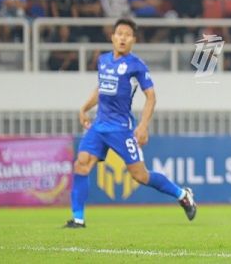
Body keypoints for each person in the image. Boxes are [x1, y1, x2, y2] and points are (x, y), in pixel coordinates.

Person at [65, 18, 197, 228]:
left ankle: (182, 194)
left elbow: (151, 96)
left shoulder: (136, 65)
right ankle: (78, 219)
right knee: (81, 163)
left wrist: (143, 125)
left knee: (140, 176)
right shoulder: (103, 60)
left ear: (133, 40)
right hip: (99, 126)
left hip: (122, 129)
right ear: (112, 37)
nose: (123, 38)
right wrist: (83, 108)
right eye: (119, 34)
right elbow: (101, 89)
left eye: (127, 35)